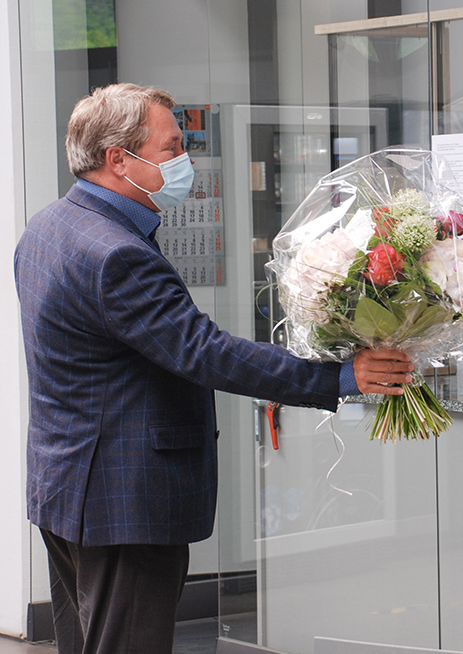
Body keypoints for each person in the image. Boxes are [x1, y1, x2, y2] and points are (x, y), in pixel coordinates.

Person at [14, 83, 414, 654]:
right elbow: (205, 352)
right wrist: (338, 376)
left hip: (65, 485)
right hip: (123, 500)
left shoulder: (48, 227)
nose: (185, 161)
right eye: (172, 146)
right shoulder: (116, 254)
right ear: (117, 159)